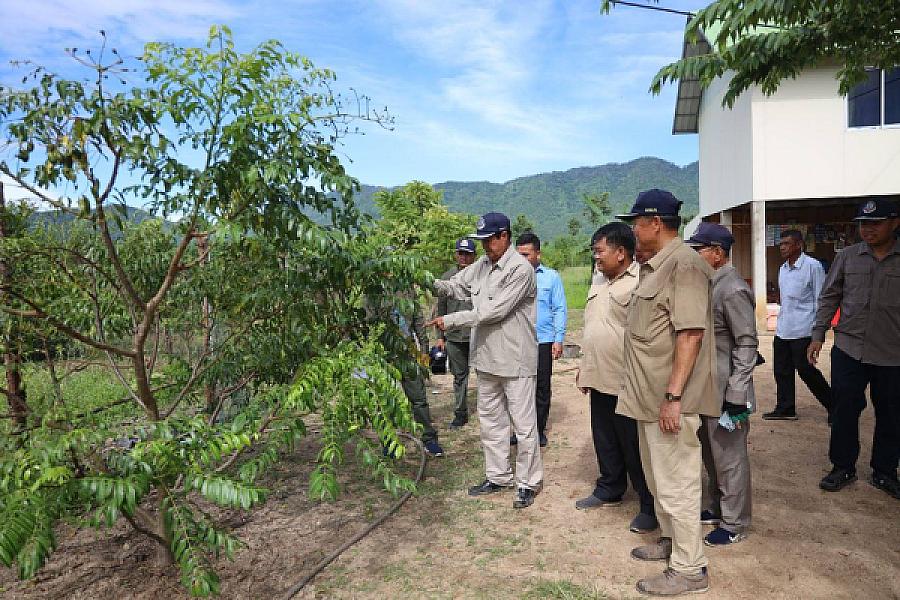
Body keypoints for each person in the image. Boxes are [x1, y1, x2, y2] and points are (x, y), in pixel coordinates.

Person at [616, 189, 719, 596]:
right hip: (649, 400)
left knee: (677, 482)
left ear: (655, 223)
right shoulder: (656, 265)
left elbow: (690, 333)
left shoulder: (684, 265)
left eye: (636, 223)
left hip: (669, 402)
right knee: (660, 481)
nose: (633, 230)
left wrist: (674, 397)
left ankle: (690, 568)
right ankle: (674, 543)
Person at [426, 212, 543, 509]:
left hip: (515, 361)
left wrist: (450, 320)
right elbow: (454, 286)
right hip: (487, 359)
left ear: (505, 235)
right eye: (482, 241)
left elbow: (493, 311)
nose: (485, 246)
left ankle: (528, 483)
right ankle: (498, 475)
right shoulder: (481, 265)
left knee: (524, 425)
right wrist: (422, 278)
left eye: (490, 240)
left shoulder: (520, 269)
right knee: (492, 422)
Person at [809, 198, 900, 499]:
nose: (868, 229)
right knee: (845, 408)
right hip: (849, 348)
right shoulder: (848, 257)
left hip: (892, 353)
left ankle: (885, 471)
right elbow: (830, 295)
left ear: (894, 223)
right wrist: (818, 333)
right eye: (863, 224)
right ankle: (842, 466)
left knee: (891, 412)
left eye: (875, 223)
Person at [575, 222, 658, 534]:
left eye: (600, 251)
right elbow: (592, 327)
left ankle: (649, 504)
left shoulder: (642, 281)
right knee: (605, 437)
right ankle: (610, 486)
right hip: (599, 375)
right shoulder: (598, 280)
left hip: (627, 379)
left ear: (621, 253)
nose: (596, 257)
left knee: (634, 444)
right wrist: (585, 367)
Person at [688, 222, 758, 545]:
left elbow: (747, 343)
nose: (694, 255)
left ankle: (735, 524)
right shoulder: (710, 284)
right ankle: (717, 507)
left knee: (730, 457)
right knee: (711, 453)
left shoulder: (732, 288)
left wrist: (737, 392)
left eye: (698, 250)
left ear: (717, 253)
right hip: (708, 388)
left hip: (728, 391)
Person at [764, 229, 833, 421]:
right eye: (781, 244)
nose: (783, 248)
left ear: (799, 245)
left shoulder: (813, 266)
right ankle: (786, 409)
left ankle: (833, 406)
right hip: (784, 329)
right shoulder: (783, 268)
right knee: (781, 371)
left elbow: (822, 299)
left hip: (804, 330)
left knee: (806, 370)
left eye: (787, 244)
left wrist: (818, 332)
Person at [369, 289, 444, 457]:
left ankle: (429, 439)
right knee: (385, 401)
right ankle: (388, 442)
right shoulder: (372, 292)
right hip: (384, 356)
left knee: (419, 399)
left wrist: (423, 354)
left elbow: (419, 324)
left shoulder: (408, 292)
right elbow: (367, 325)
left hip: (408, 354)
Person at [515, 232, 567, 447]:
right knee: (518, 387)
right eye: (519, 255)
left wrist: (558, 338)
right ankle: (520, 430)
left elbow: (559, 309)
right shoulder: (512, 276)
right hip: (517, 340)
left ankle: (538, 429)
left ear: (538, 254)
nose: (523, 259)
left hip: (543, 340)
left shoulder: (551, 277)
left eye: (526, 255)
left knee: (541, 387)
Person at [436, 238, 477, 428]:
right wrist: (440, 338)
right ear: (456, 254)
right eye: (460, 253)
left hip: (477, 335)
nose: (463, 257)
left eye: (467, 253)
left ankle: (490, 411)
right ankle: (460, 413)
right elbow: (441, 310)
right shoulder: (447, 278)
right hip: (454, 336)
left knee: (486, 375)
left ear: (474, 256)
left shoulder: (481, 277)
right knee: (459, 376)